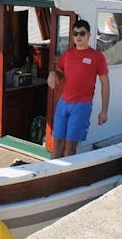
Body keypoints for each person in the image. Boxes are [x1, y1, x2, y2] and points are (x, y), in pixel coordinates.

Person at [47, 20, 110, 158]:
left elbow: (105, 84)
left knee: (70, 147)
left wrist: (104, 111)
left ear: (89, 35)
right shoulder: (68, 54)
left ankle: (66, 177)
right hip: (63, 104)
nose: (78, 36)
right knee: (56, 144)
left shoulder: (97, 57)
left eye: (82, 33)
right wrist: (53, 73)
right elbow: (60, 71)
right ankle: (51, 175)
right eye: (75, 33)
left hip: (82, 106)